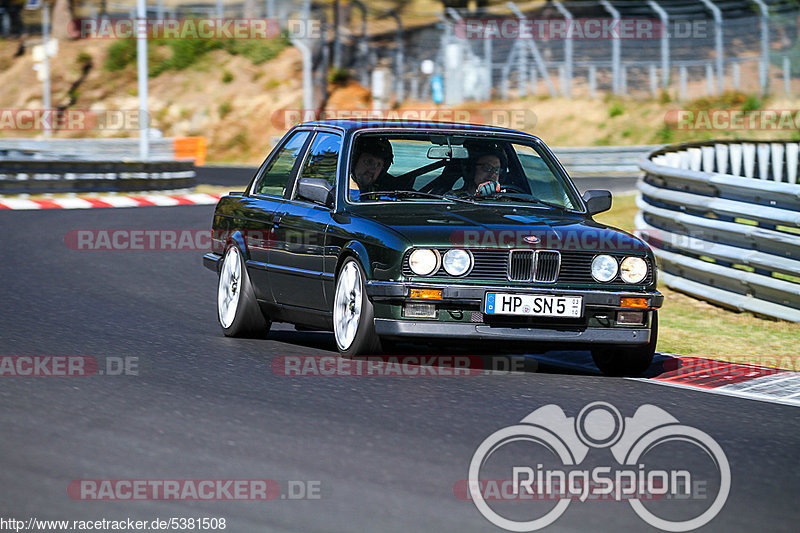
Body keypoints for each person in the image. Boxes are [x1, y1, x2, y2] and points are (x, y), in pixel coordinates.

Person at [349, 137, 393, 201]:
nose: (373, 169)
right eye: (368, 162)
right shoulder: (335, 194)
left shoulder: (386, 197)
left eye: (378, 165)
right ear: (354, 162)